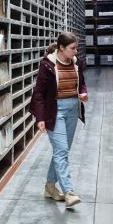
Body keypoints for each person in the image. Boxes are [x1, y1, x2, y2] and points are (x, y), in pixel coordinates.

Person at [29, 32, 88, 208]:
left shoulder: (76, 64)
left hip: (72, 110)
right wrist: (40, 118)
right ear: (61, 48)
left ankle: (49, 186)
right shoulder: (47, 66)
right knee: (61, 151)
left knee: (62, 151)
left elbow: (82, 82)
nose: (76, 52)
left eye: (76, 48)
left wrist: (83, 92)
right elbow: (39, 94)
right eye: (72, 48)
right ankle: (68, 192)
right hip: (55, 111)